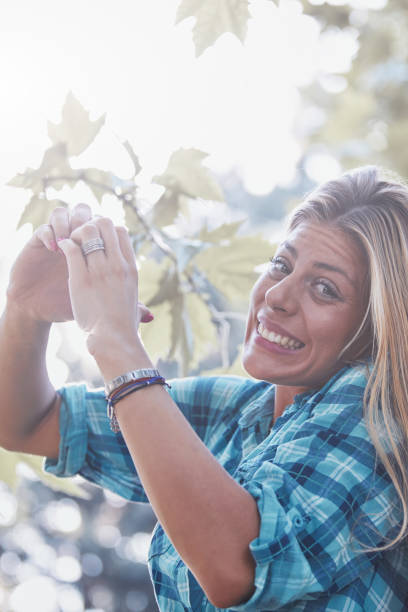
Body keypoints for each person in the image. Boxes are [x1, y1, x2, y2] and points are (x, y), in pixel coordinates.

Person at [1, 165, 408, 611]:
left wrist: (117, 343)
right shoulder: (235, 415)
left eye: (325, 289)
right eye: (281, 265)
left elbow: (240, 564)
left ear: (377, 329)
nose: (277, 296)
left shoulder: (378, 419)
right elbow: (27, 422)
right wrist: (24, 310)